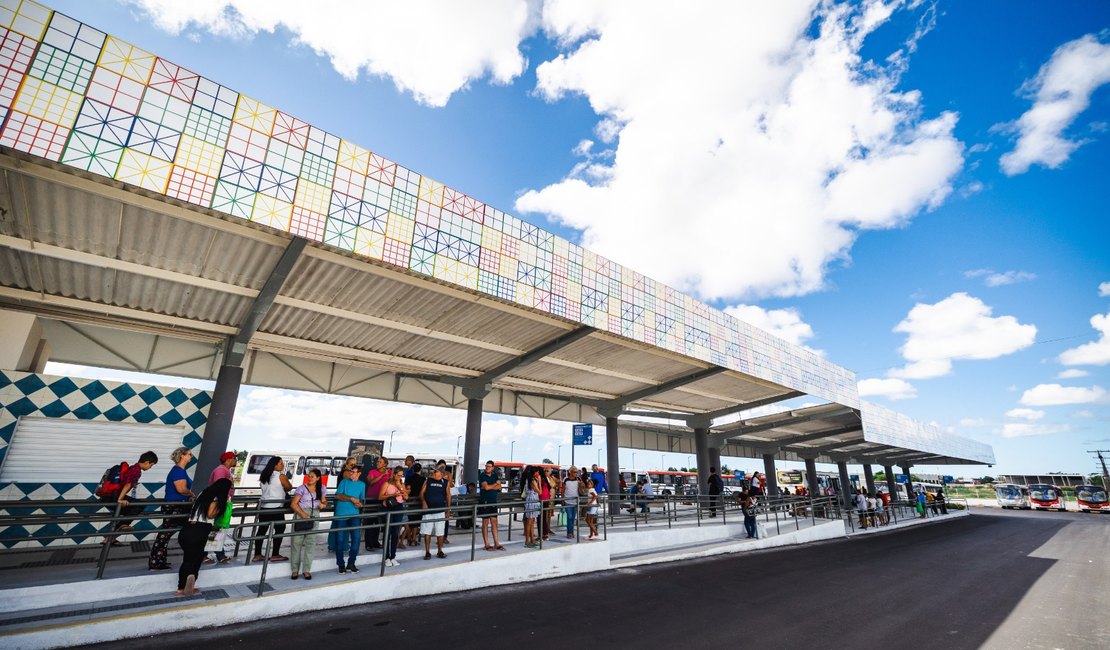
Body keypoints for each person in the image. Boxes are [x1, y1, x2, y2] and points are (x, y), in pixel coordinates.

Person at [176, 478, 230, 596]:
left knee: (190, 560)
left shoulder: (203, 493)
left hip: (187, 529)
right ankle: (182, 587)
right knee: (194, 561)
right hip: (200, 530)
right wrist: (223, 506)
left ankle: (185, 585)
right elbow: (210, 514)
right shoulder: (217, 498)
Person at [149, 447, 194, 570]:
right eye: (189, 454)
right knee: (165, 534)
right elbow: (181, 489)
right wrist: (192, 495)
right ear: (182, 456)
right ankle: (156, 561)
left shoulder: (181, 471)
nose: (191, 456)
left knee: (166, 534)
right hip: (175, 505)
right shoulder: (178, 471)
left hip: (177, 505)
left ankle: (159, 560)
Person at [101, 450, 158, 545]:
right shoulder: (136, 470)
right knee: (139, 505)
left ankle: (109, 537)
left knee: (126, 512)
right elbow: (127, 485)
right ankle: (122, 526)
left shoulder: (133, 468)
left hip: (108, 496)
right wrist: (120, 499)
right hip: (114, 496)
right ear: (147, 462)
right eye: (151, 465)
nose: (150, 467)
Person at [253, 456, 292, 562]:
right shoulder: (281, 476)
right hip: (276, 507)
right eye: (280, 463)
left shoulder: (264, 475)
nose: (282, 465)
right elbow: (289, 487)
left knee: (261, 530)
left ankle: (257, 554)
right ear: (274, 465)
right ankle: (275, 554)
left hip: (264, 506)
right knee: (280, 529)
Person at [290, 468, 326, 580]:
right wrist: (303, 514)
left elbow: (324, 501)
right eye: (309, 476)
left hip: (314, 515)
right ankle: (295, 570)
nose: (309, 478)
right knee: (296, 542)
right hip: (301, 514)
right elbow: (294, 504)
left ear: (318, 478)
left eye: (312, 476)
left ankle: (306, 570)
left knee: (311, 543)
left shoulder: (322, 488)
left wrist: (323, 505)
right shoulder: (301, 488)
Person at [204, 451, 237, 564]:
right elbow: (219, 487)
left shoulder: (225, 470)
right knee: (217, 528)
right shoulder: (221, 470)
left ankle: (219, 554)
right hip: (219, 503)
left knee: (219, 529)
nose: (236, 460)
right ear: (228, 459)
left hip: (223, 502)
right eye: (234, 458)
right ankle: (210, 554)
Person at [333, 465, 365, 574]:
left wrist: (359, 505)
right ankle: (341, 565)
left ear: (359, 473)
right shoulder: (344, 482)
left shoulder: (362, 485)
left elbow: (362, 501)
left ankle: (351, 563)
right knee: (340, 540)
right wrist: (351, 498)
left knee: (356, 539)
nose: (351, 473)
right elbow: (337, 496)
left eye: (354, 472)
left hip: (354, 515)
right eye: (351, 471)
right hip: (341, 515)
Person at [420, 463, 451, 559]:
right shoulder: (428, 480)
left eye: (436, 471)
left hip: (440, 510)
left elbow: (448, 496)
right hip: (428, 510)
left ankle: (440, 551)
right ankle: (427, 552)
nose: (433, 472)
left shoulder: (445, 482)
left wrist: (448, 509)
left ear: (441, 474)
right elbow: (421, 493)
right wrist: (424, 501)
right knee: (427, 531)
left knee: (440, 532)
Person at [380, 466, 407, 566]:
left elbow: (406, 497)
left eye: (401, 476)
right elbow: (380, 496)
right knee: (388, 532)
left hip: (398, 508)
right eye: (398, 475)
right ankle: (386, 557)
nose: (399, 477)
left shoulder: (401, 484)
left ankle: (393, 557)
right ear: (394, 474)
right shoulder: (387, 483)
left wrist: (400, 486)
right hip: (388, 507)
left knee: (396, 532)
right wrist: (391, 495)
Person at [328, 458, 356, 552]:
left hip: (344, 500)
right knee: (343, 524)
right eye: (352, 465)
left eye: (355, 465)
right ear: (347, 465)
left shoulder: (345, 472)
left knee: (337, 523)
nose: (353, 467)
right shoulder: (347, 473)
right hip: (343, 500)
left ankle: (333, 545)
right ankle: (342, 545)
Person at [363, 456, 390, 551]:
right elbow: (371, 482)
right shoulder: (372, 472)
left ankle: (375, 541)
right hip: (372, 498)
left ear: (385, 464)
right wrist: (382, 475)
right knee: (370, 520)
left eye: (380, 462)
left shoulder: (389, 473)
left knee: (379, 521)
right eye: (377, 461)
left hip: (382, 499)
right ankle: (368, 543)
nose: (377, 463)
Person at [479, 460, 505, 551]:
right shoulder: (482, 475)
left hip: (493, 501)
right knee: (485, 522)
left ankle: (496, 543)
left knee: (494, 521)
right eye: (486, 466)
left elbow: (500, 487)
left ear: (493, 467)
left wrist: (492, 486)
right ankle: (487, 544)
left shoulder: (495, 475)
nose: (487, 468)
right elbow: (486, 487)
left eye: (489, 466)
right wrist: (495, 484)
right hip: (485, 501)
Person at [403, 462, 425, 548]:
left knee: (409, 519)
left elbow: (406, 488)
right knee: (416, 521)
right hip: (419, 501)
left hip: (410, 500)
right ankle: (413, 539)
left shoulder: (409, 478)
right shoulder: (423, 479)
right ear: (420, 470)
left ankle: (408, 538)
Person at [522, 466, 541, 548]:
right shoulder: (532, 481)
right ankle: (527, 540)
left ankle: (532, 540)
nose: (538, 474)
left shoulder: (531, 480)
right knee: (529, 521)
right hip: (531, 500)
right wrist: (539, 482)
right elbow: (540, 492)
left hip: (534, 500)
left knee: (532, 521)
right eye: (537, 472)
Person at [562, 466, 584, 539]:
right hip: (567, 501)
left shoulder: (578, 479)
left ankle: (571, 532)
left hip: (576, 501)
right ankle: (569, 533)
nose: (576, 473)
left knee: (573, 518)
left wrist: (581, 484)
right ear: (570, 472)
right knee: (569, 517)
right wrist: (562, 500)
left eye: (576, 472)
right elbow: (563, 489)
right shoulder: (565, 479)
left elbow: (582, 488)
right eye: (574, 472)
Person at [540, 466, 554, 541]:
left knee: (544, 517)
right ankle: (544, 533)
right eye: (545, 471)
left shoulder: (549, 479)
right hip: (544, 499)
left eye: (547, 471)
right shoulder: (543, 478)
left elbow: (553, 485)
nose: (546, 472)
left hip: (545, 499)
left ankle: (544, 534)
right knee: (543, 517)